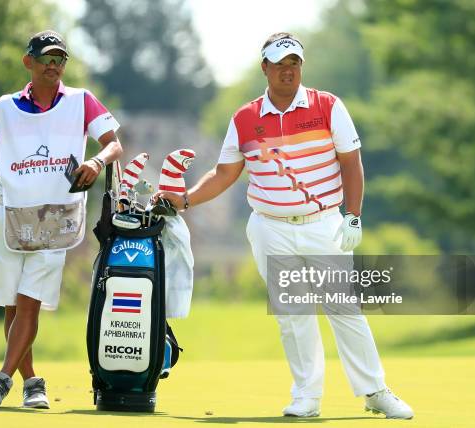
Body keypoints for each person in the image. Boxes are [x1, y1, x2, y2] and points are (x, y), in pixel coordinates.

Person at [156, 32, 414, 419]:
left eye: (293, 63)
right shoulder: (244, 118)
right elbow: (226, 172)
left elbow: (351, 162)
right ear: (265, 68)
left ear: (301, 66)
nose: (287, 70)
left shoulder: (328, 106)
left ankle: (374, 391)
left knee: (344, 309)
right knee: (294, 315)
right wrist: (188, 199)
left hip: (323, 223)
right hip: (270, 226)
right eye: (279, 64)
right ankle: (307, 396)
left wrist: (353, 214)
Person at [0, 30, 123, 409]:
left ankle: (1, 379)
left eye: (60, 59)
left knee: (28, 302)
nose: (54, 65)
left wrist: (96, 162)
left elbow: (113, 143)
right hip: (9, 214)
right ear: (28, 62)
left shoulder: (82, 101)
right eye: (46, 58)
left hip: (57, 217)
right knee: (12, 305)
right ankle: (32, 381)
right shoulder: (2, 107)